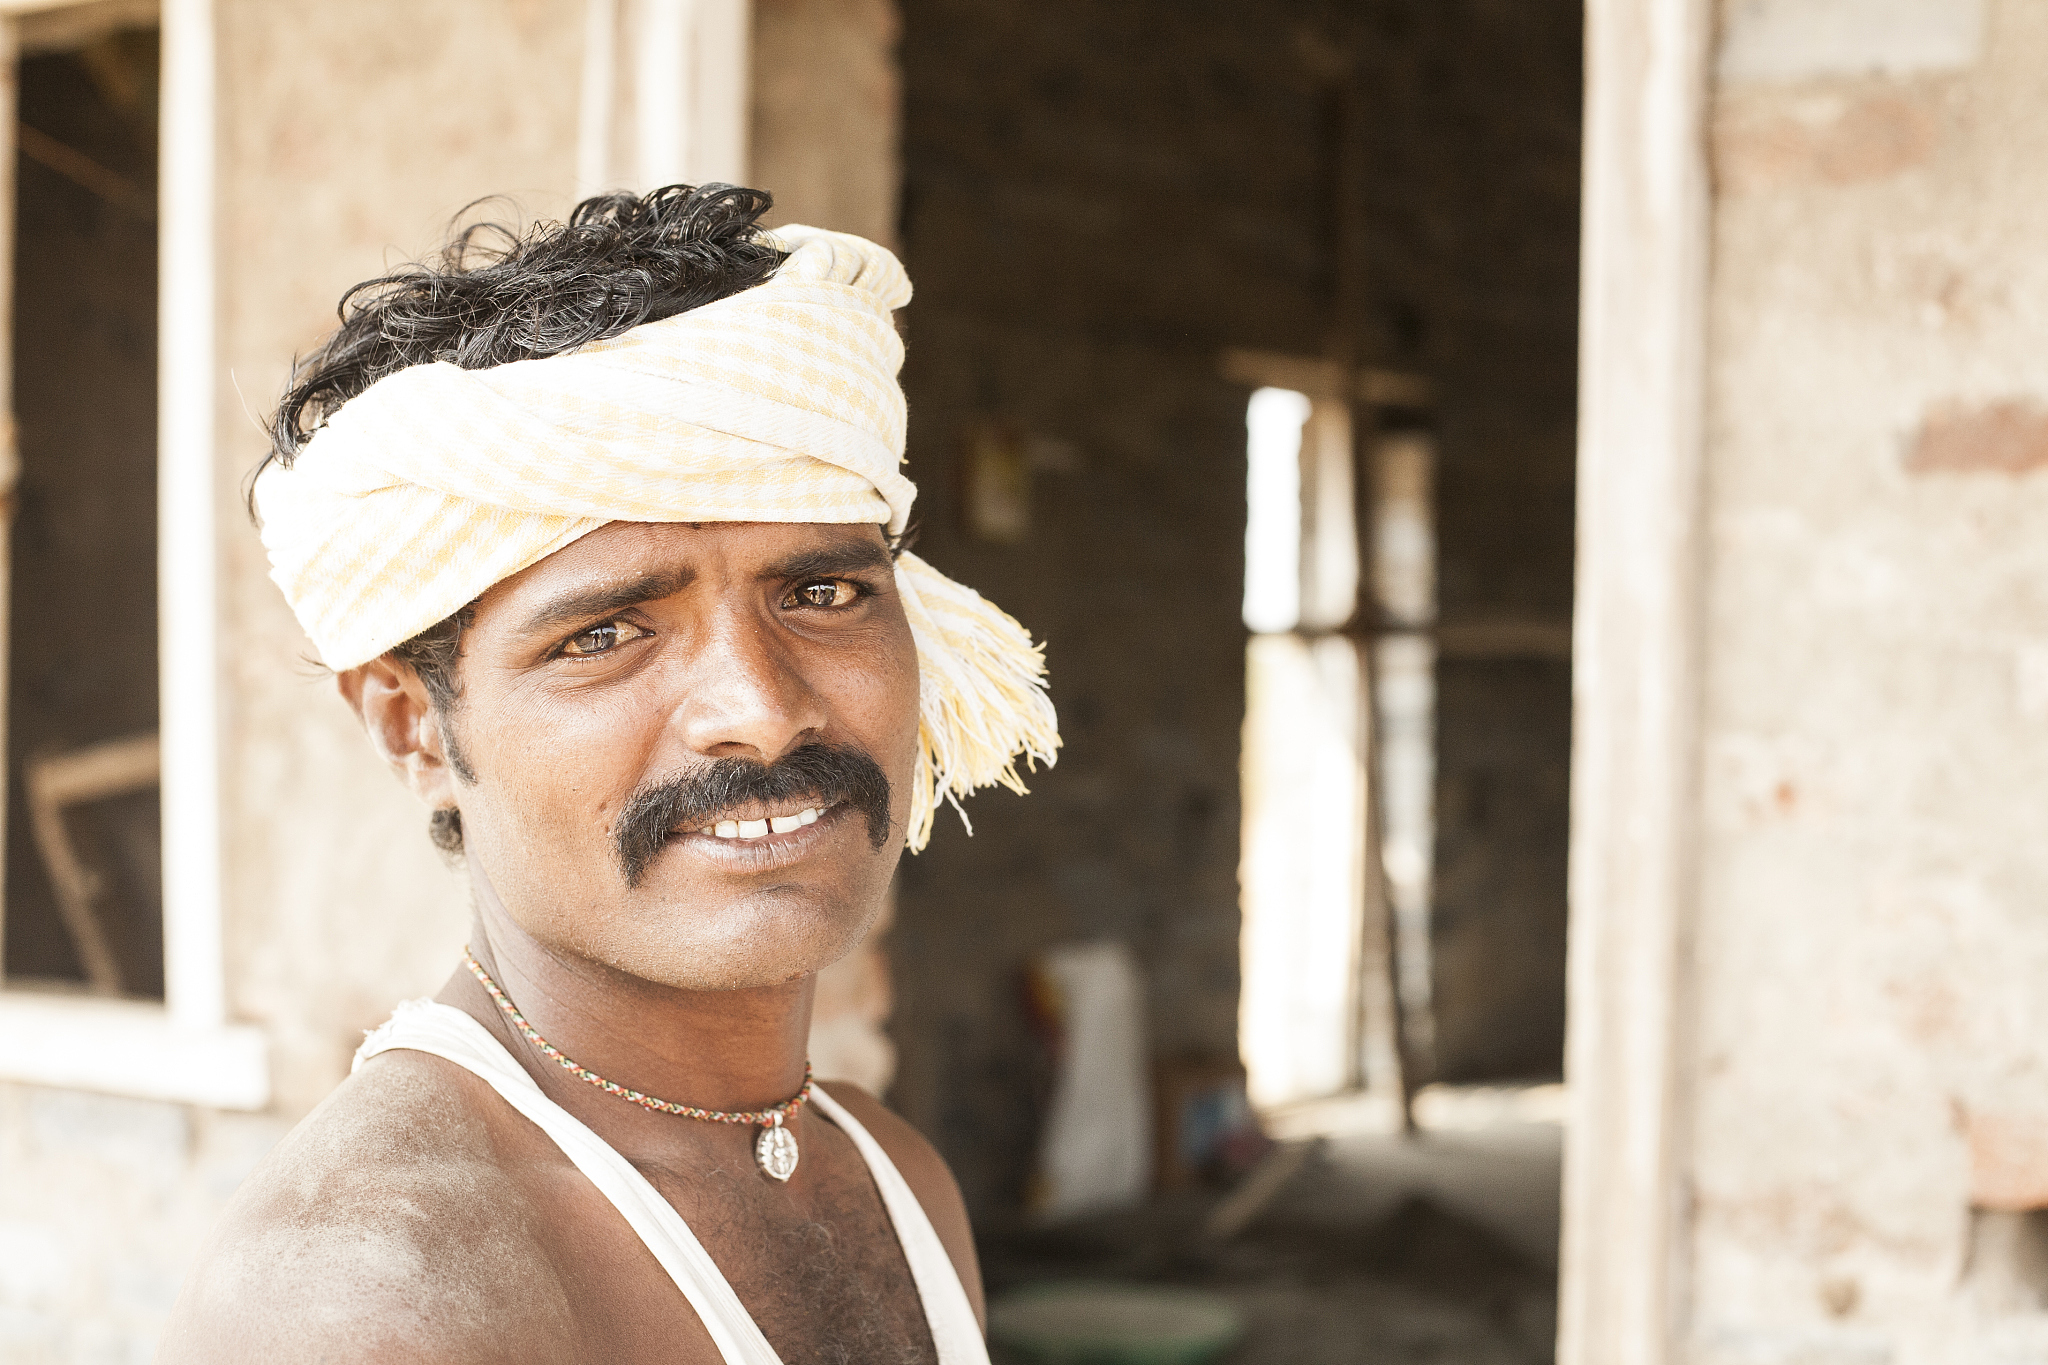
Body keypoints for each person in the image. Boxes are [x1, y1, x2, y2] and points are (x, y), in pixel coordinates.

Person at [158, 184, 1058, 1365]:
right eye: (603, 635)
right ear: (413, 727)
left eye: (822, 593)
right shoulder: (372, 1300)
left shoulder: (891, 1176)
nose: (760, 711)